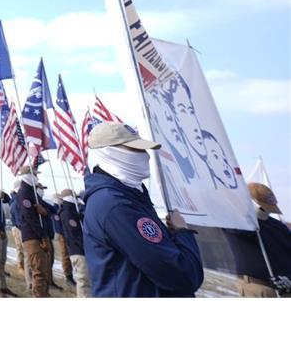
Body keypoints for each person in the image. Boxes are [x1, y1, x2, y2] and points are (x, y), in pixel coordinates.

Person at [82, 122, 203, 297]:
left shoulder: (130, 194)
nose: (145, 156)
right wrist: (183, 232)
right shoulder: (116, 205)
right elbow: (181, 276)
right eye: (135, 150)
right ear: (110, 152)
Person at [232, 183, 291, 297]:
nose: (267, 212)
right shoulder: (236, 223)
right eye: (263, 208)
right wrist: (250, 216)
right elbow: (240, 232)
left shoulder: (278, 226)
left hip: (285, 289)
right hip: (257, 288)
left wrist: (289, 279)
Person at [15, 166, 51, 297]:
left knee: (44, 271)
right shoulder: (24, 193)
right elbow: (29, 217)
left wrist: (44, 211)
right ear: (28, 176)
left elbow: (49, 209)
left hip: (38, 235)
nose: (37, 177)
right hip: (32, 236)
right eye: (35, 174)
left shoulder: (32, 192)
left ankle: (43, 294)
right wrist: (43, 237)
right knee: (39, 271)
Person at [58, 188, 90, 297]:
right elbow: (75, 234)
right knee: (83, 280)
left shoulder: (71, 211)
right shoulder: (67, 213)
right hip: (78, 250)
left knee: (86, 279)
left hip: (78, 249)